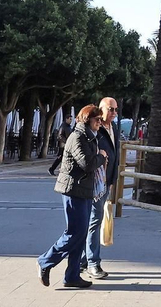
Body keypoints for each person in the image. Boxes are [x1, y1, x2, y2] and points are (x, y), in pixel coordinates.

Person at [38, 104, 102, 289]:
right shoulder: (78, 136)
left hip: (85, 190)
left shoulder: (90, 136)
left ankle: (72, 275)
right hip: (73, 190)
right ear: (87, 119)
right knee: (74, 233)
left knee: (80, 234)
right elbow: (87, 164)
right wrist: (102, 157)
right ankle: (45, 260)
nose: (99, 123)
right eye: (96, 119)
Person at [82, 97, 121, 281]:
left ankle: (83, 260)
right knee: (95, 221)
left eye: (115, 109)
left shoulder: (114, 128)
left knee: (93, 220)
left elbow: (115, 155)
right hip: (95, 182)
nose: (113, 113)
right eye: (110, 109)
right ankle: (92, 263)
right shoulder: (95, 129)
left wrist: (113, 179)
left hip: (106, 182)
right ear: (101, 109)